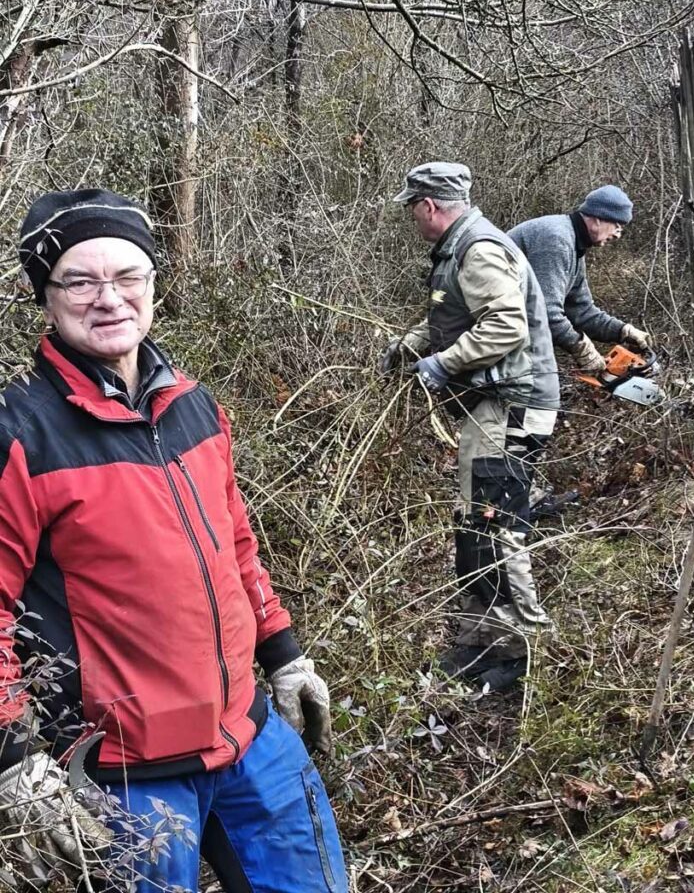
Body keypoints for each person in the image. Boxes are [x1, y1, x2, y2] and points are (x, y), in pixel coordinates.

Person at [0, 189, 347, 892]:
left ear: (153, 285)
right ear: (47, 298)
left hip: (249, 737)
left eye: (127, 276)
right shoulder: (18, 433)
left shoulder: (193, 405)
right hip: (123, 776)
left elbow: (236, 546)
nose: (109, 299)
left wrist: (283, 657)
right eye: (80, 281)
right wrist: (12, 758)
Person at [379, 162, 560, 693]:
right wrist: (412, 346)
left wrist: (444, 363)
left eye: (413, 208)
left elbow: (506, 325)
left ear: (429, 206)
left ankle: (523, 650)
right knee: (474, 523)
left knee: (495, 526)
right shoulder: (459, 249)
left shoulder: (478, 249)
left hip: (511, 407)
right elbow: (455, 317)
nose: (412, 218)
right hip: (490, 408)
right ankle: (480, 638)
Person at [509, 185, 650, 374]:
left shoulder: (574, 244)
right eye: (617, 225)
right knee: (540, 387)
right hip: (488, 327)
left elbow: (581, 310)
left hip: (510, 327)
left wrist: (622, 331)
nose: (618, 234)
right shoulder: (556, 240)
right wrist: (580, 347)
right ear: (598, 218)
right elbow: (545, 311)